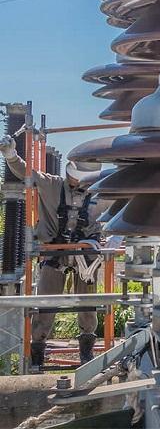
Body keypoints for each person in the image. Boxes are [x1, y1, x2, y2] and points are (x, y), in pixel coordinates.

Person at [1, 135, 107, 369]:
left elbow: (122, 204)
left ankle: (86, 353)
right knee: (46, 305)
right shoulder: (52, 184)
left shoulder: (100, 193)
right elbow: (27, 173)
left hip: (85, 259)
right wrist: (11, 156)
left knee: (87, 305)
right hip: (53, 253)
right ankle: (37, 355)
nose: (76, 182)